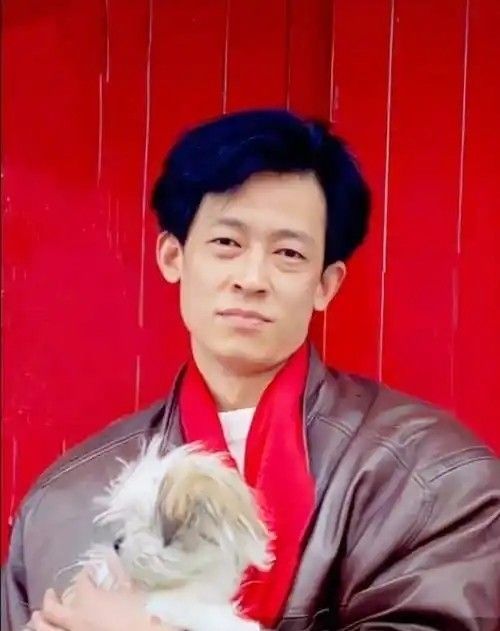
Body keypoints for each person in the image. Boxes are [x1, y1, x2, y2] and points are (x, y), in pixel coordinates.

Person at [2, 109, 499, 631]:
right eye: (227, 243)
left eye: (288, 252)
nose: (252, 278)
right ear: (172, 256)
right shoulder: (64, 503)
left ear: (326, 284)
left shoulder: (431, 477)